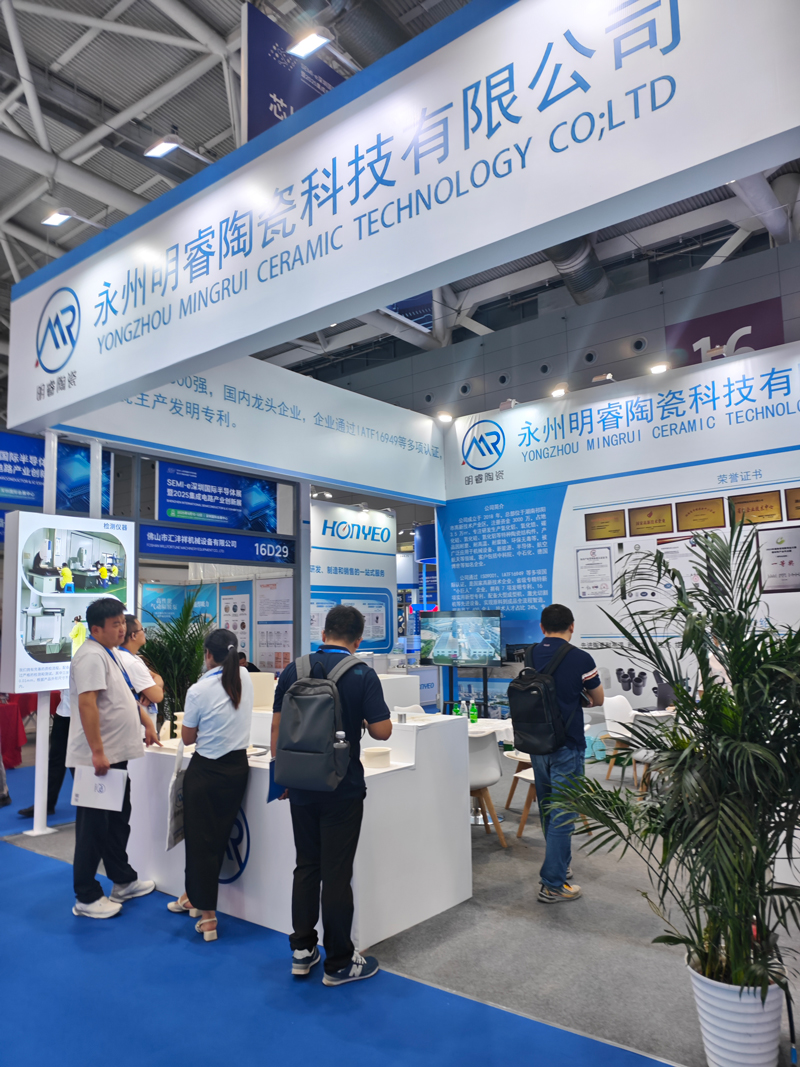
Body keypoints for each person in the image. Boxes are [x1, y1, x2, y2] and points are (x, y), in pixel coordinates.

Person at [271, 605, 392, 986]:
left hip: (299, 785)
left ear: (323, 634)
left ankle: (302, 950)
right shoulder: (361, 673)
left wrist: (282, 775)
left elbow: (277, 728)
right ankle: (339, 961)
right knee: (337, 873)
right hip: (342, 787)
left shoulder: (294, 670)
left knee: (306, 865)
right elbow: (383, 731)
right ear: (358, 639)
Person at [66, 597, 162, 919]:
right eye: (115, 624)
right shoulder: (90, 656)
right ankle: (86, 896)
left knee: (117, 822)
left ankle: (123, 880)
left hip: (114, 756)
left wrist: (146, 722)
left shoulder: (111, 653)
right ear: (96, 629)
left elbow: (125, 698)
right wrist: (97, 752)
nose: (122, 629)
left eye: (123, 622)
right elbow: (88, 704)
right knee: (93, 828)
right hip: (97, 760)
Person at [168, 630, 253, 942]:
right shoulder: (244, 677)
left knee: (200, 843)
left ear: (208, 655)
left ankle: (208, 917)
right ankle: (193, 896)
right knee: (216, 839)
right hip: (237, 770)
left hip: (206, 771)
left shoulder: (199, 689)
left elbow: (188, 737)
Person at [526, 603, 603, 904]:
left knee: (549, 808)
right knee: (563, 813)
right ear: (572, 626)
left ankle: (560, 865)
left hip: (538, 743)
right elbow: (597, 698)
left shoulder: (531, 654)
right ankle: (553, 884)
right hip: (568, 744)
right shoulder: (581, 658)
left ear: (542, 628)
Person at [18, 688, 71, 818]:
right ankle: (46, 804)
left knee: (79, 763)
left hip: (82, 714)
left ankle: (90, 803)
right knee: (55, 761)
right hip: (63, 712)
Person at [119, 615, 164, 726]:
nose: (144, 633)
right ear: (133, 635)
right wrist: (151, 691)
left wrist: (149, 690)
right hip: (140, 729)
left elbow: (157, 677)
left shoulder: (134, 658)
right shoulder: (131, 662)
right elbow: (158, 696)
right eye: (142, 630)